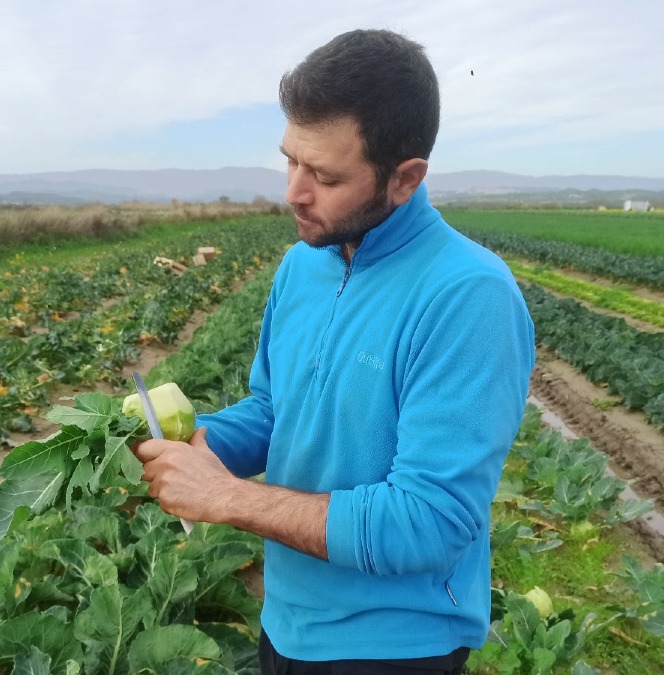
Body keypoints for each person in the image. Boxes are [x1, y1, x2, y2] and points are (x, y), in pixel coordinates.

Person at [133, 28, 535, 674]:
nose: (294, 191)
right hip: (286, 621)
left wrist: (228, 496)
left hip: (394, 647)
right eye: (291, 159)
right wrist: (193, 445)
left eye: (323, 174)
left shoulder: (468, 296)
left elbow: (428, 521)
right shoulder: (302, 265)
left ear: (404, 179)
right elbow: (274, 408)